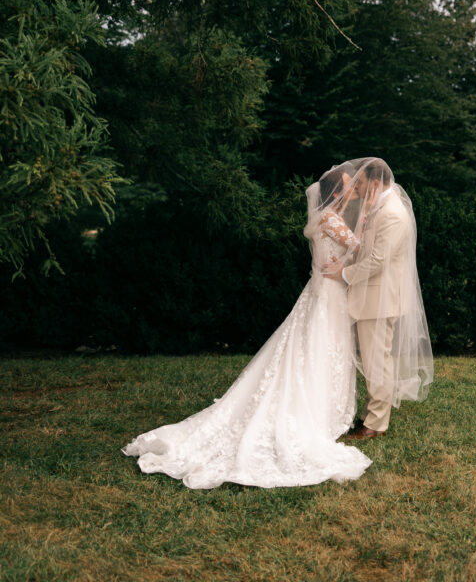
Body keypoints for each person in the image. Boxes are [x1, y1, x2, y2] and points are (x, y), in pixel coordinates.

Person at [121, 165, 371, 488]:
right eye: (349, 188)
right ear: (337, 192)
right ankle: (318, 414)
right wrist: (364, 223)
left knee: (322, 350)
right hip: (328, 294)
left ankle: (329, 411)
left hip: (327, 292)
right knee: (319, 350)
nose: (353, 193)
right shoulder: (331, 220)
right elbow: (358, 247)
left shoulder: (324, 219)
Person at [323, 158, 433, 438]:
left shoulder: (392, 213)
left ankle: (375, 425)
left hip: (380, 299)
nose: (356, 187)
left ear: (374, 183)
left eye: (359, 183)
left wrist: (344, 274)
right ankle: (372, 415)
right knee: (375, 361)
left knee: (377, 362)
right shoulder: (380, 206)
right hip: (374, 297)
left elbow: (377, 260)